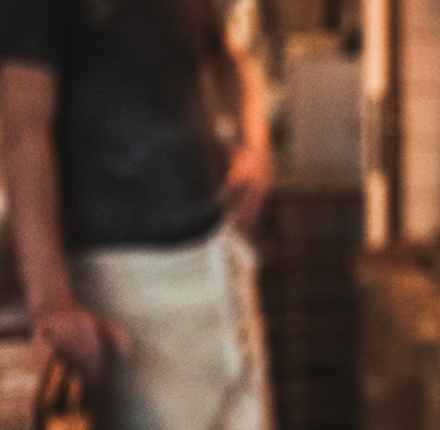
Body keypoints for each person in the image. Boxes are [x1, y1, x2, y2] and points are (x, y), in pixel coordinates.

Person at [0, 0, 274, 428]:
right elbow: (22, 126)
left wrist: (255, 144)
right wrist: (50, 299)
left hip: (220, 262)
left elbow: (231, 59)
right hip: (129, 287)